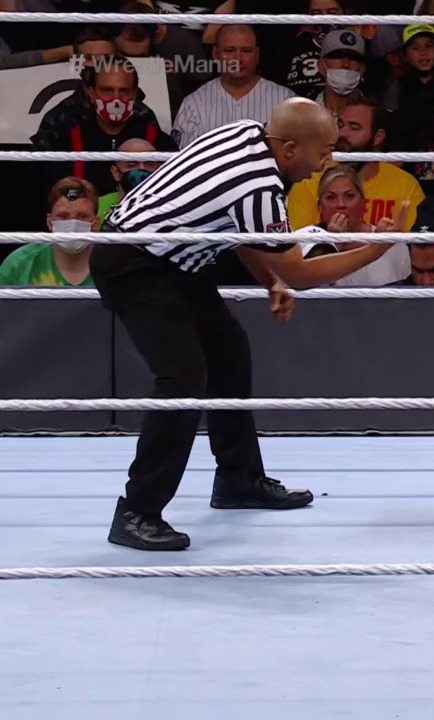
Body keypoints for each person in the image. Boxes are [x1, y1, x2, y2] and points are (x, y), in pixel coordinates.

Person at [91, 97, 396, 552]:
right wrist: (373, 249)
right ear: (290, 148)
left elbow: (245, 233)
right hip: (136, 264)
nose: (326, 163)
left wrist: (271, 275)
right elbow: (296, 271)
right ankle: (137, 510)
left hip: (173, 262)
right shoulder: (258, 181)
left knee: (229, 353)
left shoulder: (248, 133)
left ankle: (238, 478)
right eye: (322, 151)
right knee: (182, 377)